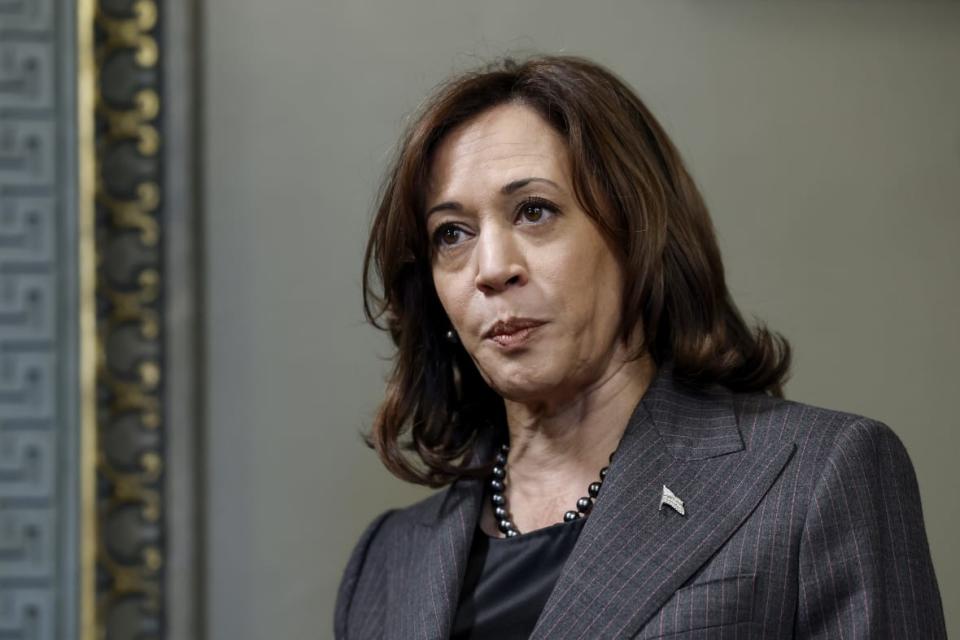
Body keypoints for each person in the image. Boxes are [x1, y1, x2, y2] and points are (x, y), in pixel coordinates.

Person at [334, 55, 946, 639]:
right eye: (453, 234)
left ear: (637, 236)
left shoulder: (819, 476)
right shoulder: (386, 562)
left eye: (535, 211)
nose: (491, 268)